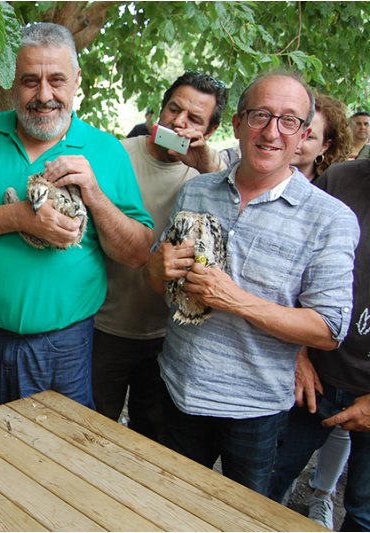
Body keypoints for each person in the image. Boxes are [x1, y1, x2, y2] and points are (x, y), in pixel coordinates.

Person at [145, 71, 359, 495]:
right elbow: (159, 285)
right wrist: (157, 267)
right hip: (178, 389)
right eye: (260, 115)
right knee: (170, 506)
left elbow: (330, 329)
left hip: (256, 411)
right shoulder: (197, 191)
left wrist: (237, 301)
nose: (271, 131)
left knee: (246, 519)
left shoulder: (330, 218)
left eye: (289, 121)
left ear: (302, 136)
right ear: (238, 124)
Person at [0, 22, 154, 417]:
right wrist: (21, 217)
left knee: (56, 463)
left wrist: (95, 196)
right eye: (30, 81)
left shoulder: (106, 150)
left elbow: (137, 252)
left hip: (65, 345)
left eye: (57, 80)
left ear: (77, 81)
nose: (44, 95)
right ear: (13, 82)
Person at [92, 71, 227, 443]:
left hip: (168, 334)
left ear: (209, 131)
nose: (179, 123)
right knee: (91, 427)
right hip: (104, 326)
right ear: (161, 110)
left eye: (194, 119)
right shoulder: (116, 154)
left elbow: (228, 233)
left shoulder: (207, 175)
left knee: (152, 437)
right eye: (174, 110)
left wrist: (206, 169)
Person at [267, 158, 370, 531]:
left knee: (363, 515)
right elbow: (289, 270)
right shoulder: (342, 178)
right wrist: (298, 351)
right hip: (314, 378)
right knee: (267, 484)